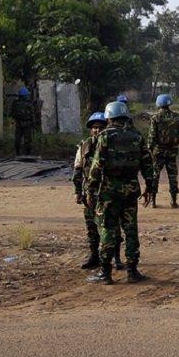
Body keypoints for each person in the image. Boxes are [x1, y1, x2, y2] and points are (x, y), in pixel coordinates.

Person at [86, 101, 154, 285]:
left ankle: (105, 273)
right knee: (131, 230)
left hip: (109, 191)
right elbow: (147, 164)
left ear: (110, 117)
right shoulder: (137, 137)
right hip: (131, 190)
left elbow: (97, 165)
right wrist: (149, 186)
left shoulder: (104, 136)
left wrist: (90, 189)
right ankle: (132, 271)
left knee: (108, 229)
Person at [73, 112, 107, 269]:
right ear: (90, 129)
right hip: (90, 193)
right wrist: (78, 192)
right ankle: (94, 256)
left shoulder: (110, 145)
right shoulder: (84, 146)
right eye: (94, 127)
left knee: (109, 226)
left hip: (107, 192)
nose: (97, 130)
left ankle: (114, 258)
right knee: (91, 227)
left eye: (101, 127)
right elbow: (78, 170)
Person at [148, 94, 179, 209]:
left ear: (158, 104)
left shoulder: (155, 118)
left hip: (158, 151)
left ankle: (153, 201)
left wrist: (149, 150)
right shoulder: (177, 117)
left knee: (155, 175)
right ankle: (173, 201)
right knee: (172, 176)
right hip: (172, 151)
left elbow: (152, 137)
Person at [10, 86, 35, 156]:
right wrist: (33, 123)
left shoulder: (15, 104)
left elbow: (12, 114)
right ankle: (28, 153)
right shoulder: (29, 104)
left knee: (18, 139)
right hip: (28, 124)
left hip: (18, 123)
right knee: (28, 139)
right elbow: (32, 114)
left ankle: (18, 153)